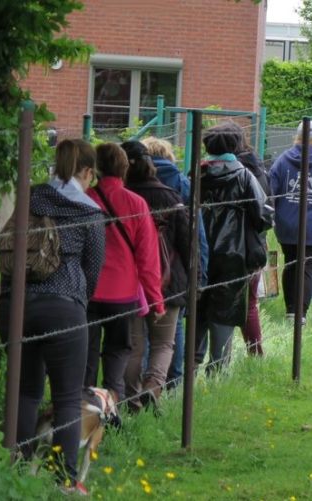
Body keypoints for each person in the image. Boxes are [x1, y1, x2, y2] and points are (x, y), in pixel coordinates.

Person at [0, 139, 105, 494]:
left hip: (15, 305)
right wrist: (75, 302)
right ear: (87, 172)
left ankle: (13, 469)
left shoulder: (30, 198)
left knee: (24, 392)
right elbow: (93, 269)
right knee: (67, 396)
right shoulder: (89, 211)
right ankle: (65, 479)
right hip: (64, 304)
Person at [85, 143, 165, 402]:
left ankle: (83, 409)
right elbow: (148, 260)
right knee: (118, 352)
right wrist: (156, 300)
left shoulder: (86, 200)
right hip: (122, 294)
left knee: (87, 354)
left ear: (96, 168)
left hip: (87, 291)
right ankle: (112, 406)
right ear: (124, 168)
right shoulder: (136, 203)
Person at [120, 141, 190, 411]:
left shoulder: (122, 197)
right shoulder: (171, 197)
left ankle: (131, 400)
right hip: (168, 281)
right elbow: (187, 243)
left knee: (135, 346)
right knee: (164, 344)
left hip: (131, 283)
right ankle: (153, 386)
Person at [196, 122, 270, 372]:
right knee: (225, 312)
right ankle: (218, 370)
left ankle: (189, 370)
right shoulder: (244, 176)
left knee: (197, 310)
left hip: (199, 254)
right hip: (234, 255)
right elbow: (263, 217)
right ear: (235, 145)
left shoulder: (195, 174)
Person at [141, 136, 208, 387]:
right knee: (173, 327)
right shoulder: (184, 185)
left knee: (143, 328)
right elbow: (197, 236)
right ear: (169, 157)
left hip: (142, 268)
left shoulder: (134, 185)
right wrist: (200, 273)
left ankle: (141, 384)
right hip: (174, 268)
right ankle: (172, 383)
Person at [270, 121, 312, 323]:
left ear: (297, 137)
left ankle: (290, 310)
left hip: (287, 225)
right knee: (308, 268)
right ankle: (301, 314)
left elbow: (271, 192)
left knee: (291, 264)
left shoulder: (282, 161)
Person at [230, 122, 271, 356]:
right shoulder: (258, 168)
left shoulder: (235, 172)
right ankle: (255, 352)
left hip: (232, 244)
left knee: (225, 300)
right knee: (250, 301)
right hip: (256, 242)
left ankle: (220, 361)